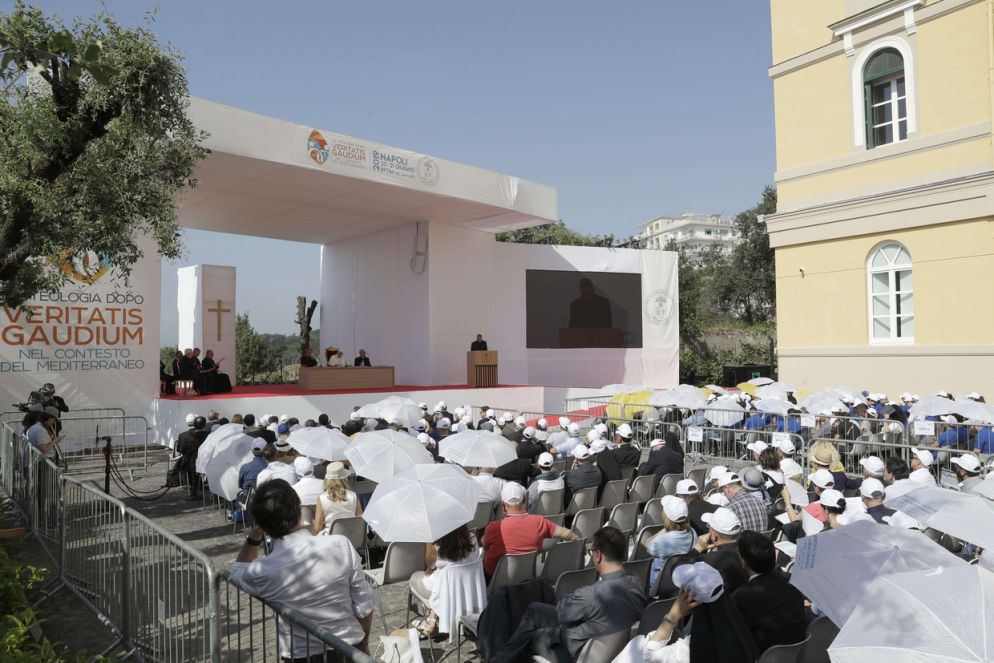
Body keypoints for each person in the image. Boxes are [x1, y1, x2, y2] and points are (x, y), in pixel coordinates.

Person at [230, 480, 376, 659]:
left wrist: (254, 536)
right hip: (348, 648)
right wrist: (364, 644)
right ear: (299, 510)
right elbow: (364, 605)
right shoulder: (340, 545)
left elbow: (237, 572)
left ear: (263, 525)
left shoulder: (263, 570)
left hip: (300, 654)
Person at [493, 526, 647, 663]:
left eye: (591, 551)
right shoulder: (636, 583)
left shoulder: (592, 595)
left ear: (598, 555)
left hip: (572, 650)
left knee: (529, 636)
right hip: (607, 644)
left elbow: (562, 612)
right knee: (534, 610)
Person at [614, 563, 726, 663]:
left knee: (636, 645)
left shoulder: (691, 648)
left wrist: (672, 617)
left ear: (687, 599)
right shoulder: (731, 624)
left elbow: (650, 655)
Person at [731, 531, 807, 653]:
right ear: (774, 556)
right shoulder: (793, 581)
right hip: (801, 654)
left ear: (744, 562)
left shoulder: (741, 597)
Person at [481, 483, 576, 579]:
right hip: (526, 577)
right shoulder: (539, 522)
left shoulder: (493, 527)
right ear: (524, 500)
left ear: (503, 504)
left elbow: (484, 543)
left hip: (494, 579)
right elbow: (569, 534)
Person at [409, 524, 487, 638]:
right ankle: (432, 618)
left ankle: (431, 618)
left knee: (415, 577)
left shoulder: (439, 543)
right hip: (468, 587)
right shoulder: (472, 538)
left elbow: (430, 564)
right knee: (440, 582)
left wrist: (429, 538)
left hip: (446, 588)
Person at [691, 507, 748, 593]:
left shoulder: (708, 561)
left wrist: (697, 548)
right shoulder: (752, 550)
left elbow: (678, 570)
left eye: (709, 527)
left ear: (713, 536)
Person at [647, 497, 696, 592]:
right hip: (681, 580)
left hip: (658, 584)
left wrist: (663, 531)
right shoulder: (693, 533)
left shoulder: (661, 541)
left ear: (666, 517)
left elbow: (647, 545)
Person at [312, 463, 361, 535]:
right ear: (344, 478)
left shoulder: (322, 498)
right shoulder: (353, 496)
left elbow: (318, 528)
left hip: (331, 540)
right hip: (352, 538)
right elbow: (360, 520)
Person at [176, 416, 208, 499]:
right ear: (204, 425)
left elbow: (180, 449)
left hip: (189, 463)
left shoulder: (183, 435)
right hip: (205, 462)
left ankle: (193, 491)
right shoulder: (208, 435)